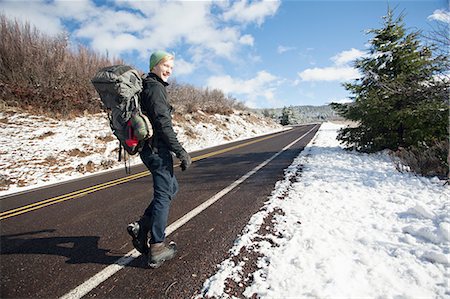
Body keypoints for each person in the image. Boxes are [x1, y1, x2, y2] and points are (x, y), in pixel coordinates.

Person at [127, 50, 192, 268]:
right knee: (164, 195)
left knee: (171, 188)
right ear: (154, 65)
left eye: (171, 68)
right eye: (166, 65)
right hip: (156, 150)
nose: (169, 71)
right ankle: (157, 246)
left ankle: (142, 226)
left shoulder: (149, 87)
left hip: (150, 149)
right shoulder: (154, 89)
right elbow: (164, 124)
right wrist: (180, 151)